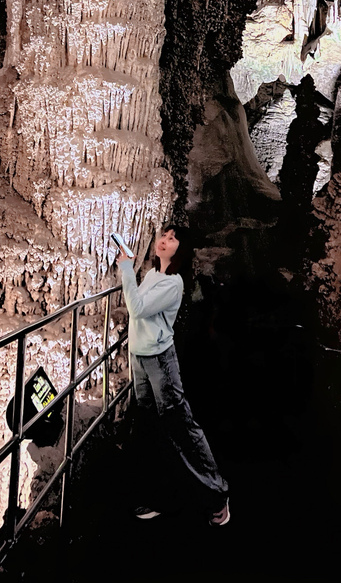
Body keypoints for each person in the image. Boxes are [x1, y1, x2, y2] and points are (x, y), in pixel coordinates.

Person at [117, 224, 230, 526]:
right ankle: (160, 497)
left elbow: (137, 309)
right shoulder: (154, 275)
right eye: (164, 236)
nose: (164, 241)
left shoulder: (174, 284)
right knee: (152, 428)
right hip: (140, 360)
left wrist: (126, 268)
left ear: (182, 250)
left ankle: (217, 494)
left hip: (160, 363)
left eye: (172, 239)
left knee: (180, 426)